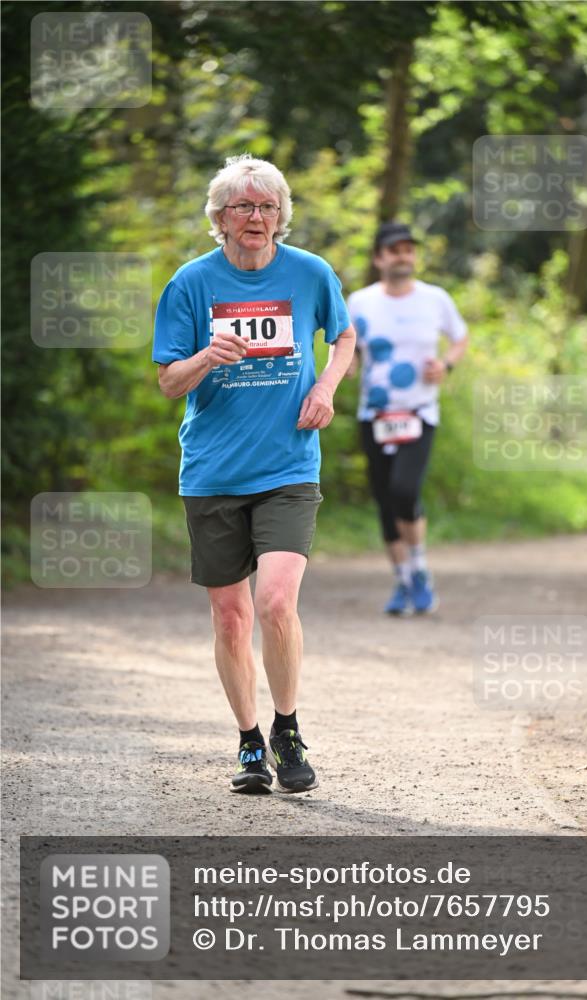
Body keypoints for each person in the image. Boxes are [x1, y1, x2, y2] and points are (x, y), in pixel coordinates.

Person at [152, 154, 356, 794]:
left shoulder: (310, 273)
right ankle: (247, 744)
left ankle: (287, 728)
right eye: (243, 206)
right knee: (230, 617)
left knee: (274, 601)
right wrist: (207, 356)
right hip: (213, 471)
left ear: (281, 217)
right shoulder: (190, 284)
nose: (256, 218)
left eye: (268, 207)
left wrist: (325, 386)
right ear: (219, 217)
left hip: (288, 463)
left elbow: (344, 337)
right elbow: (167, 382)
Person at [347, 221, 468, 616]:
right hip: (375, 413)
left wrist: (446, 365)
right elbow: (348, 347)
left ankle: (419, 569)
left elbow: (460, 337)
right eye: (395, 249)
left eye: (408, 249)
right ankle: (403, 582)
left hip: (419, 412)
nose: (404, 255)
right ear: (379, 258)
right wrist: (344, 365)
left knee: (404, 489)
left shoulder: (435, 299)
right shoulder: (360, 302)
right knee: (384, 501)